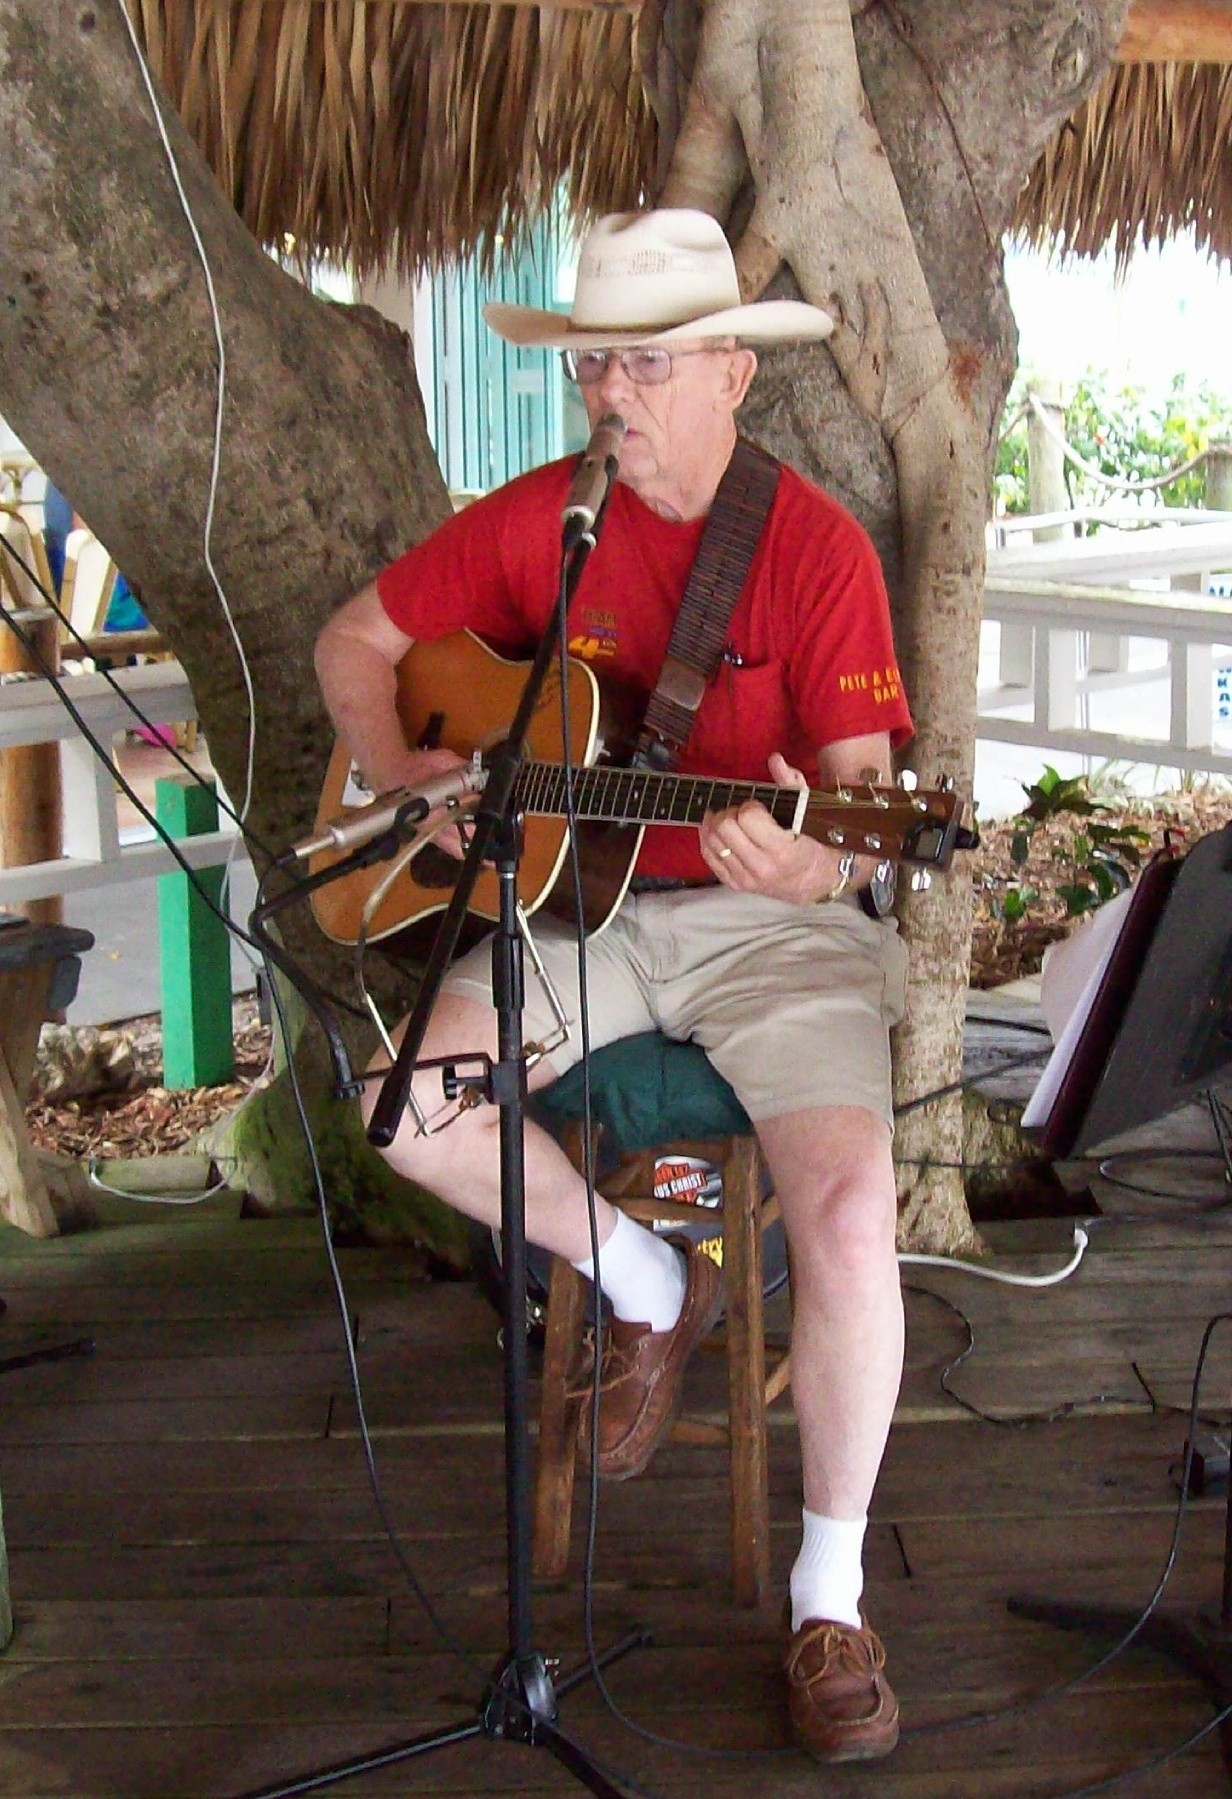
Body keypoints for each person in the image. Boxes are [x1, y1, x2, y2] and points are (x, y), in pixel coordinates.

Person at [315, 208, 913, 1764]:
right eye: (598, 369)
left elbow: (861, 802)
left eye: (647, 364)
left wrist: (819, 861)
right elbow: (354, 640)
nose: (615, 399)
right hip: (583, 916)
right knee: (409, 1117)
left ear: (730, 371)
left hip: (774, 925)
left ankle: (831, 1598)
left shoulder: (816, 549)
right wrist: (410, 772)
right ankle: (652, 1280)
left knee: (850, 1216)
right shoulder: (548, 521)